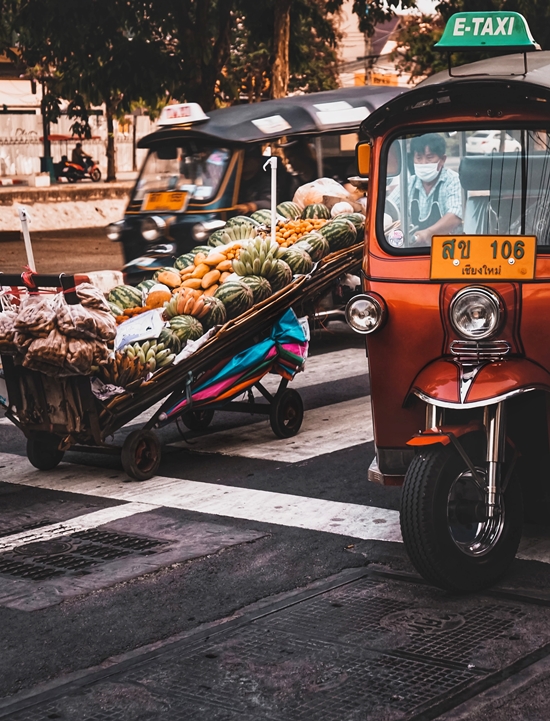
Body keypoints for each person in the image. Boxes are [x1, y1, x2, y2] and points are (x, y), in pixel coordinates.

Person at [389, 133, 462, 246]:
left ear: (442, 159)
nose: (423, 163)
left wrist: (428, 233)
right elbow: (390, 207)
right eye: (418, 158)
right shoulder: (409, 183)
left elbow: (455, 215)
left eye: (429, 157)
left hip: (448, 250)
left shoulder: (453, 180)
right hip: (416, 250)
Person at [234, 146, 291, 215]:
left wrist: (249, 207)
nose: (242, 163)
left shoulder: (266, 180)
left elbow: (269, 203)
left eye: (247, 159)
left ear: (257, 161)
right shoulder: (233, 181)